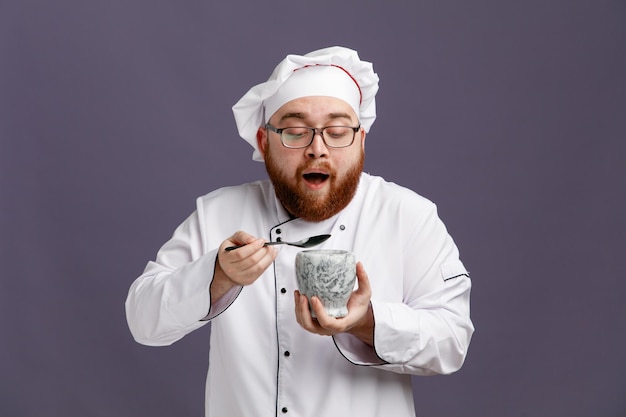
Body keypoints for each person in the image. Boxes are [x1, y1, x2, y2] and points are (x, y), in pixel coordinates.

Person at [125, 46, 474, 417]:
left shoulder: (407, 215)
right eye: (295, 132)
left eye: (337, 131)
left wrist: (367, 322)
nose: (317, 149)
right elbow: (143, 321)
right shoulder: (218, 213)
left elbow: (451, 341)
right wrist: (218, 274)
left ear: (361, 140)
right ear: (264, 142)